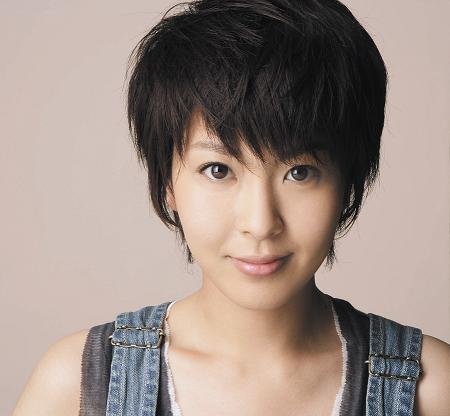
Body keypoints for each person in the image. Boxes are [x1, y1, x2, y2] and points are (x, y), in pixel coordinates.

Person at [13, 1, 450, 415]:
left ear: (348, 183)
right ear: (167, 184)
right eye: (218, 170)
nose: (260, 224)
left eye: (299, 172)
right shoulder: (76, 386)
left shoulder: (430, 388)